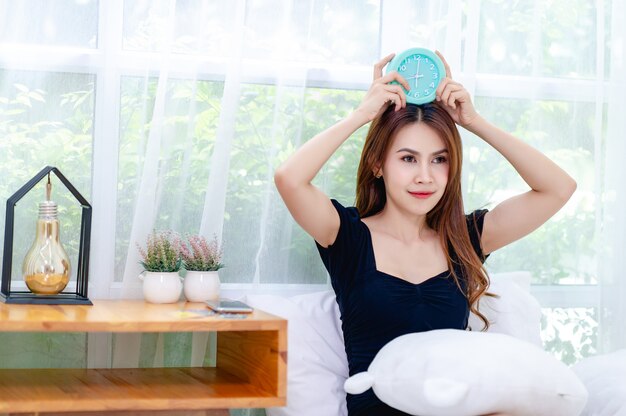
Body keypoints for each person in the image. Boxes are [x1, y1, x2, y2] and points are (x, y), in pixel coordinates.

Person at [273, 51, 576, 416]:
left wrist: (473, 121)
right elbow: (289, 178)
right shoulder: (347, 237)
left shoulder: (465, 239)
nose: (425, 177)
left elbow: (558, 188)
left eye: (439, 159)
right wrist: (362, 114)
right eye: (408, 158)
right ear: (377, 164)